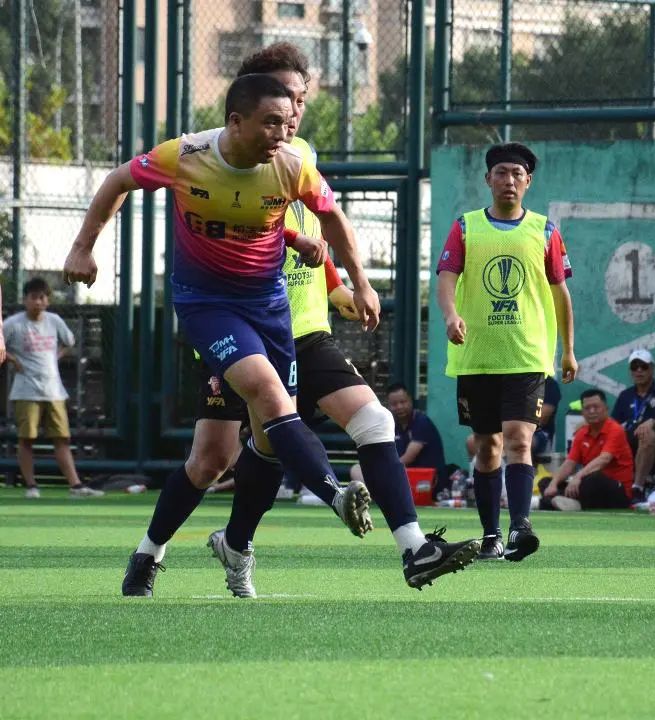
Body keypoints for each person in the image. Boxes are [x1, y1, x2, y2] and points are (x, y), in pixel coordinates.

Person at [112, 45, 478, 598]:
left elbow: (310, 232)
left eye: (301, 100)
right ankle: (151, 552)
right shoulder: (206, 157)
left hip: (301, 328)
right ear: (246, 108)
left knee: (372, 422)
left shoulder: (295, 155)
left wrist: (340, 285)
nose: (295, 112)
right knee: (212, 460)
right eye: (284, 99)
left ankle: (414, 549)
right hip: (230, 325)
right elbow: (238, 225)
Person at [436, 141, 577, 562]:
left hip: (526, 355)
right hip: (477, 356)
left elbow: (561, 294)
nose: (509, 180)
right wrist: (450, 315)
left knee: (519, 439)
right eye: (501, 173)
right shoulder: (465, 227)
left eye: (517, 174)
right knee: (487, 446)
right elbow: (446, 277)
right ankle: (491, 534)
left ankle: (520, 527)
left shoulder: (545, 231)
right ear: (488, 179)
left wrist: (568, 351)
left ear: (528, 181)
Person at [2, 277, 103, 498]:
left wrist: (56, 356)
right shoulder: (13, 324)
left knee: (62, 439)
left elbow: (69, 341)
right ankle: (31, 486)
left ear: (48, 300)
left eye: (43, 297)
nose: (39, 302)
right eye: (34, 297)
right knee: (26, 439)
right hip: (26, 391)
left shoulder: (54, 321)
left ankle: (75, 486)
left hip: (54, 391)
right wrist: (13, 360)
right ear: (25, 299)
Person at [539, 389, 633, 511]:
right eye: (587, 408)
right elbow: (569, 463)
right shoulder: (581, 433)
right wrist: (553, 484)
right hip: (587, 486)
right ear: (582, 412)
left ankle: (556, 502)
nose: (592, 411)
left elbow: (604, 459)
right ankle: (565, 502)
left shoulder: (616, 430)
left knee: (594, 478)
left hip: (617, 491)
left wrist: (578, 477)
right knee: (545, 482)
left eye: (596, 407)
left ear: (606, 409)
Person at [611, 348, 655, 502]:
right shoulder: (625, 395)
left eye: (644, 366)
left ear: (652, 369)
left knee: (647, 435)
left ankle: (637, 489)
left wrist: (652, 422)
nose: (639, 370)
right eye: (634, 367)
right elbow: (613, 425)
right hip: (629, 442)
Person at [387, 382, 449, 494]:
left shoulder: (421, 422)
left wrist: (384, 470)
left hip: (427, 482)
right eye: (394, 404)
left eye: (403, 402)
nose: (399, 407)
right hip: (404, 478)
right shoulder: (391, 425)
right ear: (388, 406)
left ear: (410, 401)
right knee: (357, 469)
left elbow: (408, 458)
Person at [533, 376, 562, 456]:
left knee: (521, 439)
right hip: (510, 429)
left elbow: (542, 418)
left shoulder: (549, 384)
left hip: (538, 433)